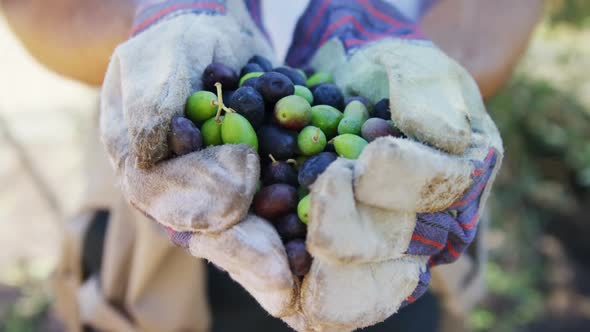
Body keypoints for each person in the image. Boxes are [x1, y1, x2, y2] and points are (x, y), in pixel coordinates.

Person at [1, 1, 542, 331]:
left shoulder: (309, 124)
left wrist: (438, 77)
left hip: (386, 232)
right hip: (160, 209)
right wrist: (157, 24)